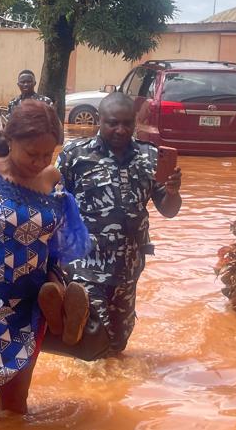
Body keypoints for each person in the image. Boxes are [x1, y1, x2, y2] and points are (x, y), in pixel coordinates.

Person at [0, 100, 90, 414]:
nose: (39, 162)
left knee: (15, 407)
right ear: (10, 140)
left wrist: (55, 276)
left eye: (47, 154)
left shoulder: (52, 180)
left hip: (32, 305)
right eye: (31, 153)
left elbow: (56, 240)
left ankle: (60, 316)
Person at [51, 92, 183, 359]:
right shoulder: (74, 155)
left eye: (127, 123)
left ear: (135, 123)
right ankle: (87, 386)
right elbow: (53, 204)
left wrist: (172, 191)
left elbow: (169, 211)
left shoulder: (150, 156)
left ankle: (112, 389)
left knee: (119, 342)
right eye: (113, 123)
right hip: (86, 263)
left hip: (129, 265)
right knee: (92, 332)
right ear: (99, 121)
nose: (120, 130)